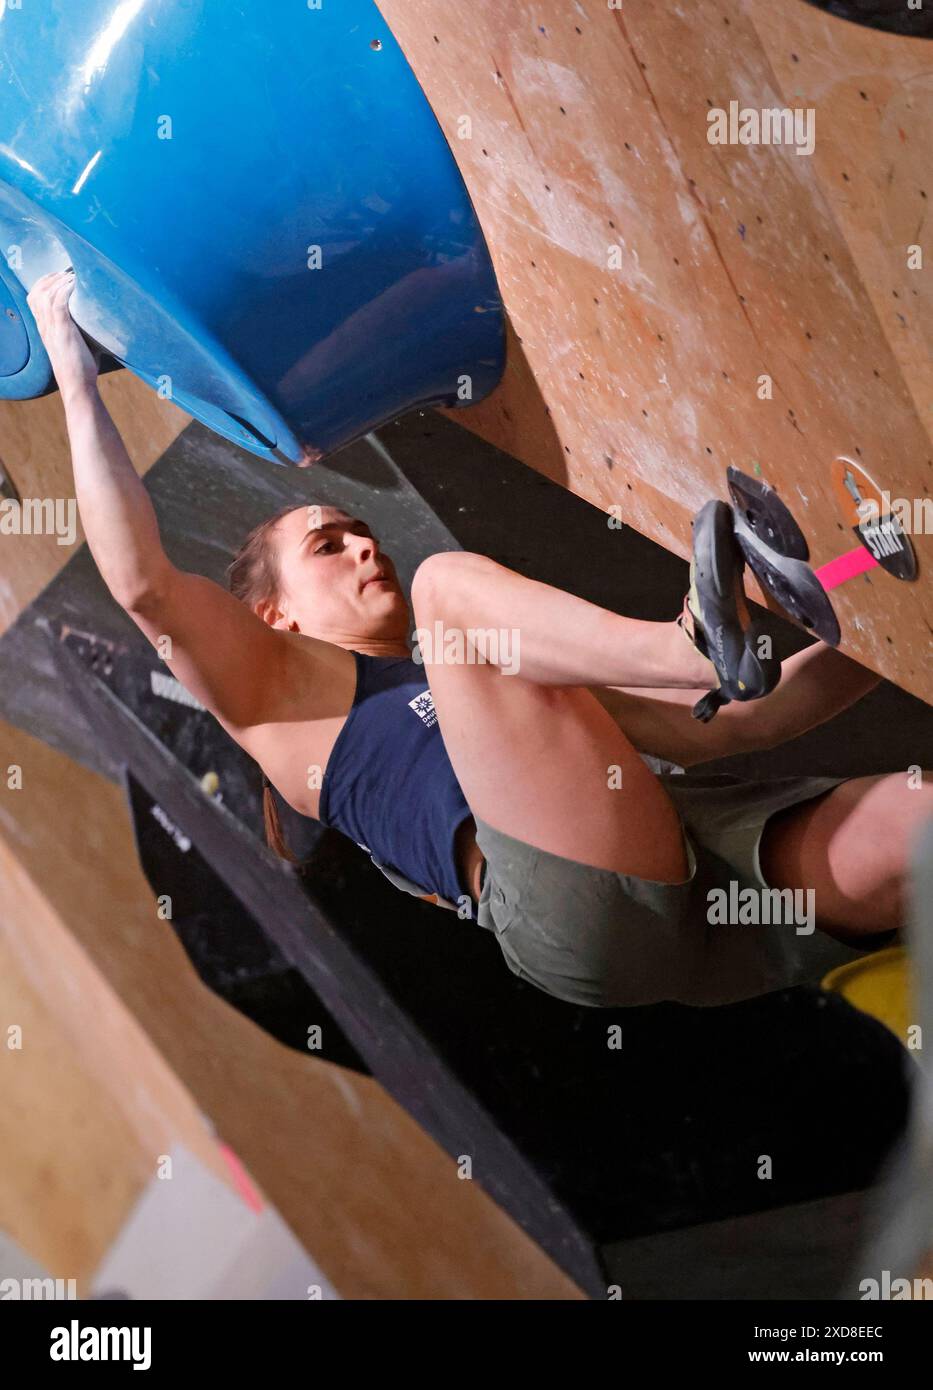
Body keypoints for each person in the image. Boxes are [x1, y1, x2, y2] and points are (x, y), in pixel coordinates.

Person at [28, 268, 932, 1008]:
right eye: (326, 544)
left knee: (912, 819)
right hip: (566, 912)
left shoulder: (503, 687)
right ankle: (688, 640)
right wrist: (69, 361)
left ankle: (700, 645)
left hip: (690, 876)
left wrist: (879, 631)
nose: (362, 545)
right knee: (448, 588)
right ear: (276, 614)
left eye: (359, 528)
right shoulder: (272, 701)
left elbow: (734, 727)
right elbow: (142, 580)